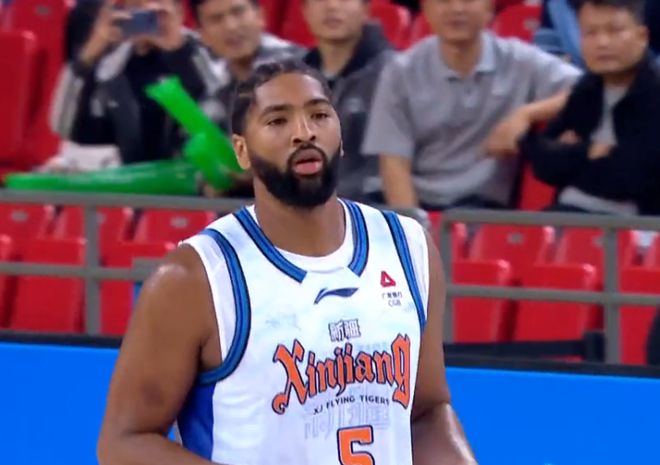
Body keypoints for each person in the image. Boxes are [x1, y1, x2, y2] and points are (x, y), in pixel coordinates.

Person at [96, 60, 478, 465]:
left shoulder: (407, 247)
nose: (304, 132)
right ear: (241, 150)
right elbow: (124, 442)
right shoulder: (196, 276)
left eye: (319, 115)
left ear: (340, 134)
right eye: (277, 121)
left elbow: (426, 412)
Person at [361, 0, 580, 211]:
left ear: (489, 7)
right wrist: (414, 227)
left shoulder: (519, 60)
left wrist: (526, 114)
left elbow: (587, 89)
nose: (457, 8)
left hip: (481, 209)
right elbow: (394, 164)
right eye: (444, 1)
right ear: (425, 8)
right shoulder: (400, 71)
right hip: (414, 202)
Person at [521, 0, 660, 215]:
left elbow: (630, 177)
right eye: (590, 33)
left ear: (642, 36)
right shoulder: (585, 89)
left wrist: (569, 156)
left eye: (614, 31)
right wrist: (587, 151)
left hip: (633, 225)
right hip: (566, 214)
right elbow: (542, 163)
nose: (602, 43)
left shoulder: (654, 94)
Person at [49, 0, 219, 167]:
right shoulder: (113, 69)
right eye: (137, 6)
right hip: (142, 181)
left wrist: (179, 52)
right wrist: (87, 59)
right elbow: (68, 128)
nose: (148, 11)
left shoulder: (208, 54)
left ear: (179, 11)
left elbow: (222, 117)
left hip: (205, 177)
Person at [302, 0, 394, 203]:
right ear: (305, 11)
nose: (332, 6)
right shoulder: (294, 76)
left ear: (366, 10)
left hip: (373, 205)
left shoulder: (393, 73)